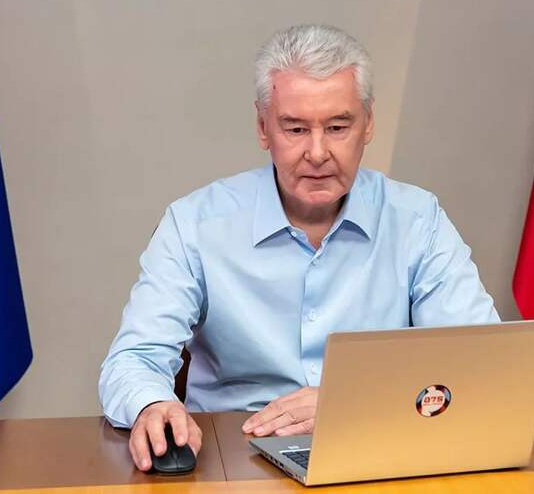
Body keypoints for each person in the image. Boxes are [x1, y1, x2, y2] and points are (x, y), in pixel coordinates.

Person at [99, 24, 499, 472]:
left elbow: (483, 364)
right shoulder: (195, 223)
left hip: (378, 452)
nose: (318, 152)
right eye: (295, 128)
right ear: (263, 128)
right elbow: (133, 359)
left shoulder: (417, 220)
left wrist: (350, 403)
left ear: (368, 123)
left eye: (338, 127)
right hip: (235, 459)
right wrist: (152, 404)